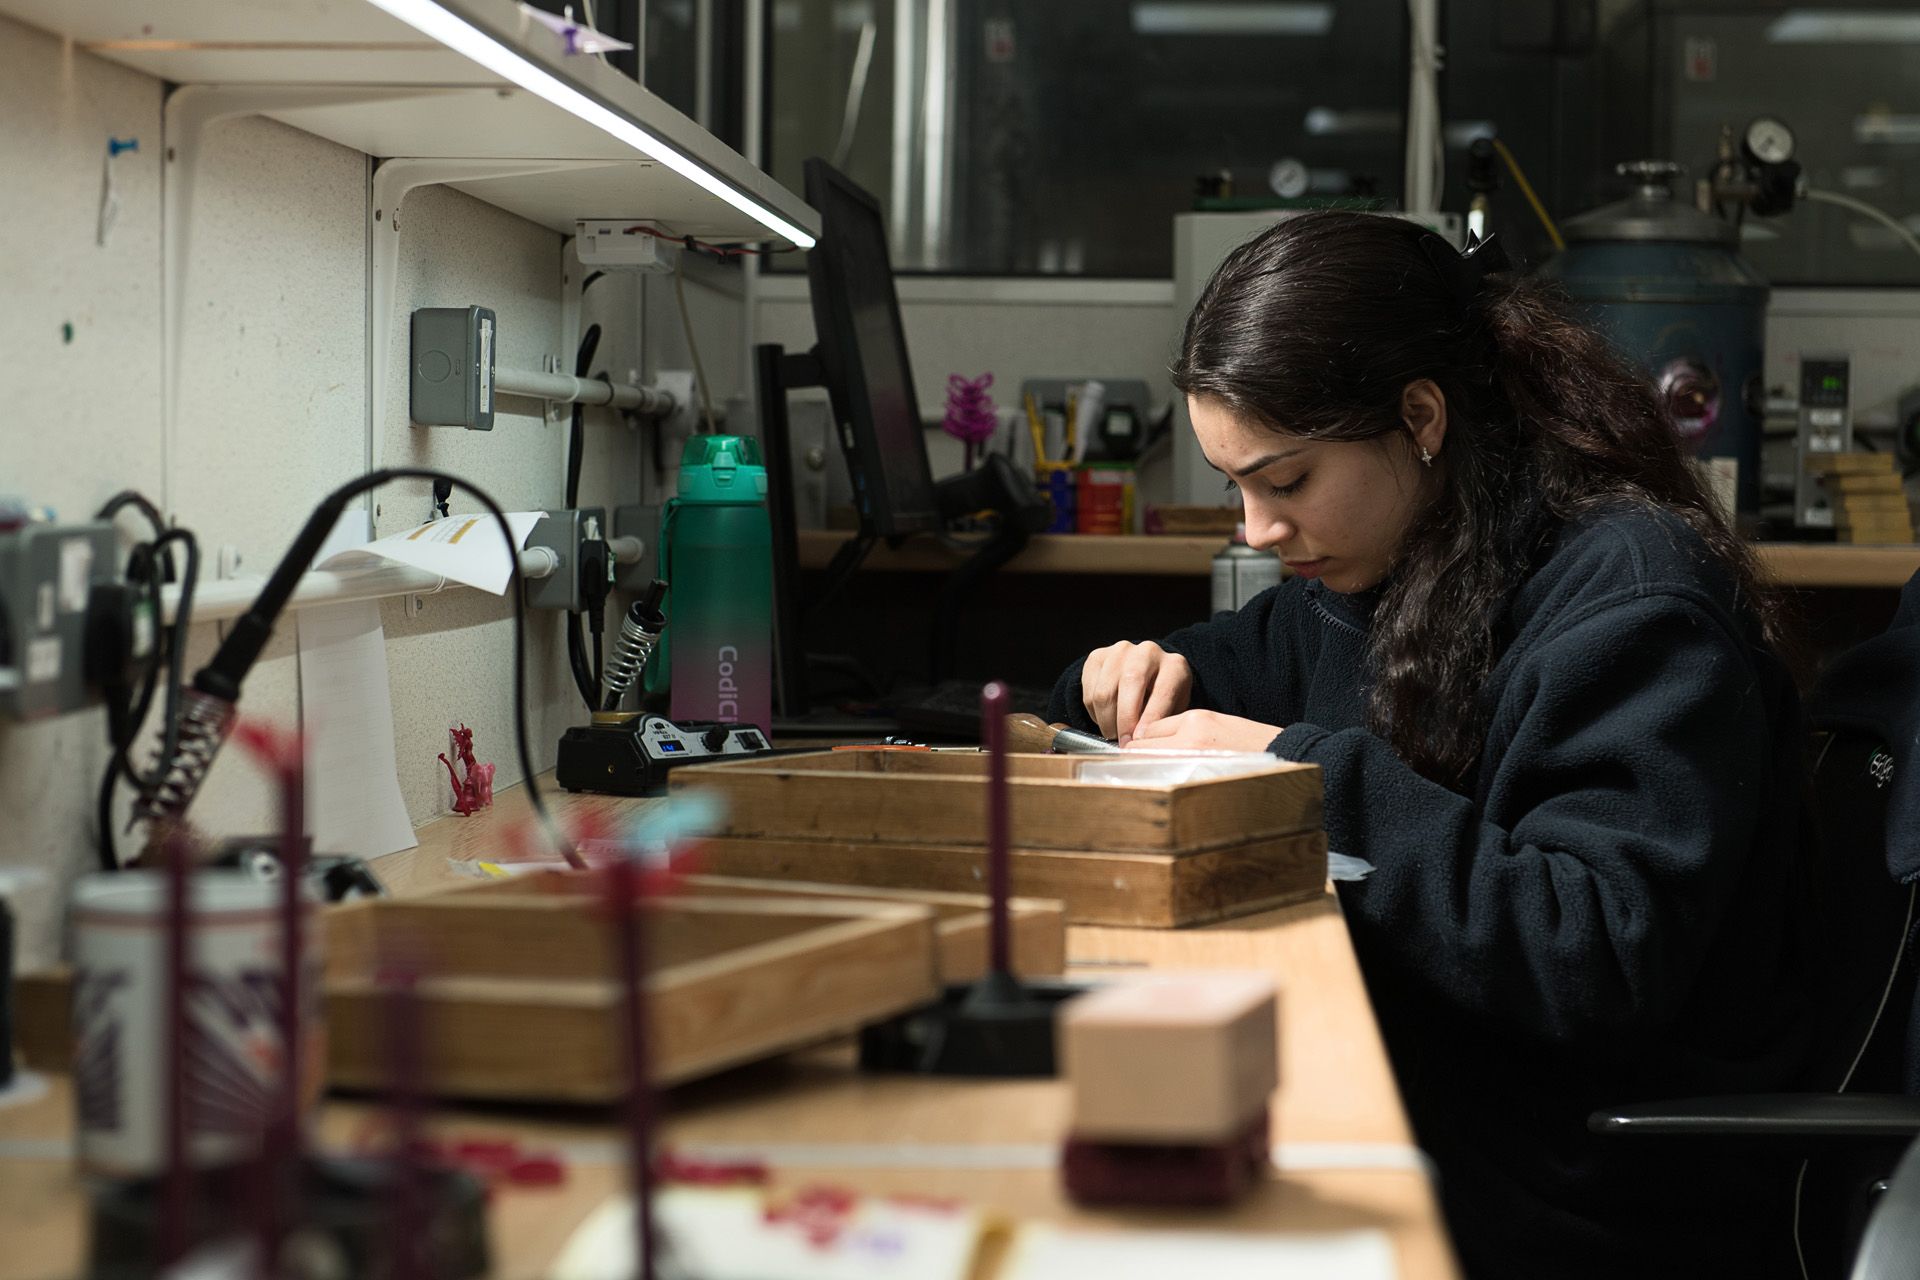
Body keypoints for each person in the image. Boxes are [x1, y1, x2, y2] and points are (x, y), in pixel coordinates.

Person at [1048, 212, 1818, 1279]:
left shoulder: (1636, 607)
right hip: (1452, 1104)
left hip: (1581, 1184)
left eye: (1285, 480)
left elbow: (1591, 950)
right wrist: (1115, 681)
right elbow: (1217, 669)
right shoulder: (1394, 557)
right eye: (1237, 485)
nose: (1255, 529)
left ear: (1419, 417)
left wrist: (1302, 777)